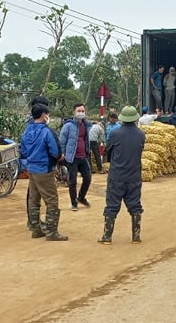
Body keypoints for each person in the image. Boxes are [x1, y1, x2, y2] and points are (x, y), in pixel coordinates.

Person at [98, 105, 146, 245]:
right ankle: (136, 237)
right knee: (135, 205)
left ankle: (107, 237)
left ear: (122, 119)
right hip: (134, 175)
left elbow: (109, 150)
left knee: (112, 205)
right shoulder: (141, 134)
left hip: (117, 175)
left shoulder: (115, 134)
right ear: (135, 119)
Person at [21, 103, 68, 241]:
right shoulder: (47, 131)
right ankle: (52, 232)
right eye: (47, 114)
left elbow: (23, 152)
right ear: (43, 115)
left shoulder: (27, 131)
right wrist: (60, 157)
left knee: (34, 200)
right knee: (52, 200)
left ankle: (36, 230)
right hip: (45, 170)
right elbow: (55, 150)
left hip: (31, 170)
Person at [60, 103, 94, 211]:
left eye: (83, 111)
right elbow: (62, 141)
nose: (81, 113)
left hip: (83, 157)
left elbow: (85, 140)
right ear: (74, 112)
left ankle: (81, 197)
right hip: (72, 158)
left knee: (88, 178)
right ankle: (74, 203)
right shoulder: (68, 126)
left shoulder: (86, 125)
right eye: (79, 111)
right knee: (72, 181)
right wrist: (62, 153)